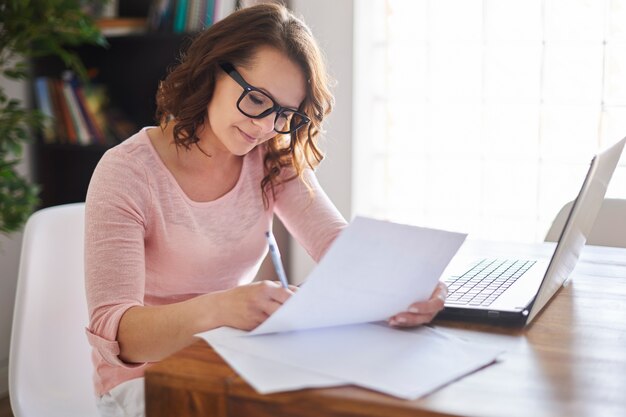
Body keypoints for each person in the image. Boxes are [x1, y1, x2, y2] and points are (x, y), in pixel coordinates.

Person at [84, 4, 448, 417]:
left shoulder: (271, 156)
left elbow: (340, 247)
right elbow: (118, 336)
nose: (264, 126)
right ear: (212, 71)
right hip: (148, 381)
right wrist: (221, 308)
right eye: (257, 99)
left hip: (238, 359)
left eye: (284, 114)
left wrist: (413, 284)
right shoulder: (127, 171)